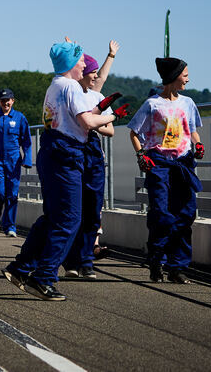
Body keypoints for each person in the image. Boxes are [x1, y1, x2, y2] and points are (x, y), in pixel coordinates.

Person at [2, 41, 117, 301]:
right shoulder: (70, 86)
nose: (83, 65)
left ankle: (20, 268)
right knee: (69, 219)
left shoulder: (56, 84)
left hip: (53, 150)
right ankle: (43, 278)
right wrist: (111, 116)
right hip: (66, 154)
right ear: (70, 65)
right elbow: (87, 122)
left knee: (53, 217)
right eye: (80, 61)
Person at [128, 57, 203, 284]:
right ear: (173, 76)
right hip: (159, 163)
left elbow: (192, 131)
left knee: (185, 214)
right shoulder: (152, 104)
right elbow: (133, 132)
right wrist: (141, 155)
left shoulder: (187, 103)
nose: (187, 79)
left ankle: (177, 267)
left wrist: (198, 145)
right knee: (162, 215)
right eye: (185, 74)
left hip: (182, 163)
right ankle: (156, 261)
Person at [61, 54, 128, 279]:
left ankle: (87, 261)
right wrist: (93, 118)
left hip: (93, 156)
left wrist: (95, 122)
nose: (96, 76)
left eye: (97, 72)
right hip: (73, 154)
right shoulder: (70, 93)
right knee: (74, 211)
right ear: (81, 72)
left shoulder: (98, 96)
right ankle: (71, 261)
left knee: (92, 212)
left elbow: (110, 130)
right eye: (93, 71)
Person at [0, 88, 32, 237]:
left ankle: (10, 226)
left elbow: (27, 141)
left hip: (13, 160)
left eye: (8, 100)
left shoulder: (20, 118)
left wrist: (27, 159)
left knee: (12, 194)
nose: (6, 103)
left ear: (13, 101)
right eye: (3, 100)